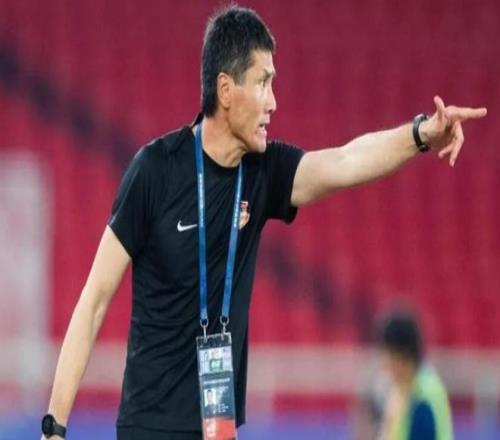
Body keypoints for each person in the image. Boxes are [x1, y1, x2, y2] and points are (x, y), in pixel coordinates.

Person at [40, 5, 486, 440]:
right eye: (263, 82)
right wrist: (55, 427)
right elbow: (94, 301)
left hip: (219, 431)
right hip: (149, 428)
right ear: (226, 89)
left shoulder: (263, 172)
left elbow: (347, 161)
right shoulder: (155, 171)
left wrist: (420, 134)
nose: (274, 102)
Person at [377, 312, 453, 440]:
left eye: (387, 355)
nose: (384, 365)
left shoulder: (423, 399)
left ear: (401, 355)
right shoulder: (402, 391)